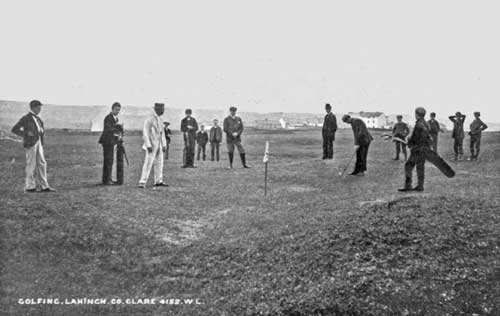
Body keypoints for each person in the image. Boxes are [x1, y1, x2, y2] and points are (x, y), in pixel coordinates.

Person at [11, 100, 56, 192]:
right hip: (31, 143)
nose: (40, 109)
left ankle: (45, 186)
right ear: (33, 108)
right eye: (38, 108)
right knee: (31, 164)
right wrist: (26, 133)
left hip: (38, 142)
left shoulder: (38, 119)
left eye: (40, 108)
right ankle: (30, 187)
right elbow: (14, 129)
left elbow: (40, 130)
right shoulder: (26, 118)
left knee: (42, 163)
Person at [399, 107, 433, 192]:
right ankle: (420, 186)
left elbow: (415, 137)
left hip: (417, 149)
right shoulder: (426, 123)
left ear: (416, 114)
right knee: (420, 167)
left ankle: (408, 186)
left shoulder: (418, 124)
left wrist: (409, 142)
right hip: (424, 149)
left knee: (408, 166)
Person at [138, 103, 168, 188]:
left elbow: (162, 134)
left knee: (159, 162)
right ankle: (142, 182)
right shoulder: (150, 119)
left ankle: (158, 180)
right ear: (157, 109)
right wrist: (148, 145)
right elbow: (145, 132)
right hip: (152, 145)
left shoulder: (160, 119)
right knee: (148, 163)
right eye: (161, 109)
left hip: (159, 145)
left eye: (163, 108)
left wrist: (164, 144)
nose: (163, 110)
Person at [98, 102, 122, 185]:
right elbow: (108, 129)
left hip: (111, 141)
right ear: (112, 109)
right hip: (107, 141)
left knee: (110, 160)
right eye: (116, 109)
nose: (117, 111)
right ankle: (107, 179)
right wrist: (117, 130)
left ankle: (108, 178)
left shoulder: (116, 118)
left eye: (119, 110)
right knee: (108, 160)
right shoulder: (108, 118)